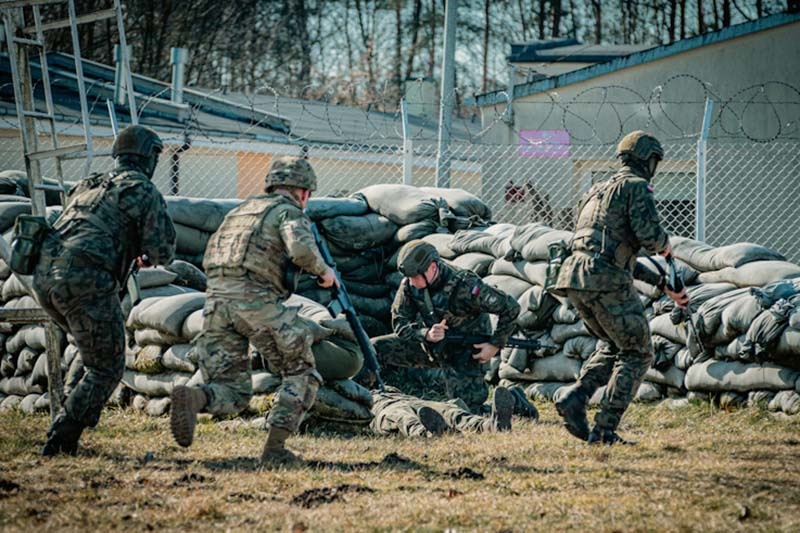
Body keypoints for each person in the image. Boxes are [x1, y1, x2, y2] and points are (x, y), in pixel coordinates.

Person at [169, 156, 338, 465]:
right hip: (256, 302)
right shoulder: (288, 212)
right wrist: (324, 271)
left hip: (215, 303)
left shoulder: (239, 212)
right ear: (303, 192)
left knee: (233, 391)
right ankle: (275, 451)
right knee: (302, 371)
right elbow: (300, 250)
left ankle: (195, 397)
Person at [33, 125, 176, 456]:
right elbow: (163, 249)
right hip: (87, 283)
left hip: (45, 278)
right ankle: (60, 440)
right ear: (149, 157)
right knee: (108, 367)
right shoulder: (142, 189)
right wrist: (143, 252)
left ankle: (66, 418)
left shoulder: (88, 184)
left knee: (93, 354)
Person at [551, 130, 688, 445]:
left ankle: (576, 397)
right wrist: (665, 246)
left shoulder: (596, 190)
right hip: (604, 280)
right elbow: (650, 238)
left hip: (575, 278)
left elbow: (615, 253)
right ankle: (604, 430)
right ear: (647, 160)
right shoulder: (636, 187)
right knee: (639, 351)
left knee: (615, 346)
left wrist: (661, 283)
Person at [372, 240, 527, 415]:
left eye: (415, 277)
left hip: (464, 352)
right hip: (431, 345)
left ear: (432, 268)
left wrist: (495, 345)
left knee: (467, 411)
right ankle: (363, 401)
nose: (412, 282)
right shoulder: (410, 284)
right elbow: (400, 322)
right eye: (409, 278)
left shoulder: (466, 285)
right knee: (374, 349)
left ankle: (515, 402)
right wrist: (425, 334)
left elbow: (510, 308)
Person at [370, 386, 515, 437]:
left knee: (450, 411)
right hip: (381, 407)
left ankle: (491, 425)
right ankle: (428, 433)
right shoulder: (351, 390)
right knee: (404, 419)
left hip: (410, 399)